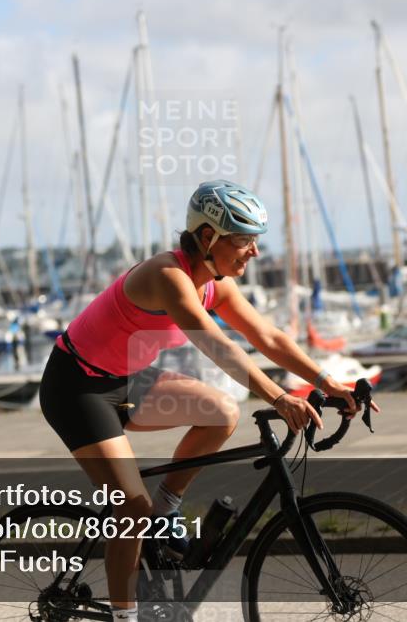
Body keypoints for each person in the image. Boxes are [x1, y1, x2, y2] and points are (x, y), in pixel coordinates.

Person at [38, 180, 371, 622]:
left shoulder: (215, 283)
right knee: (129, 506)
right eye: (244, 241)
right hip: (76, 387)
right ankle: (125, 615)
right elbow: (217, 346)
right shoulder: (167, 277)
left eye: (256, 241)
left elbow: (267, 336)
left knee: (222, 413)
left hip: (126, 380)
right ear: (209, 238)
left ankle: (166, 510)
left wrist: (328, 382)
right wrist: (278, 395)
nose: (254, 251)